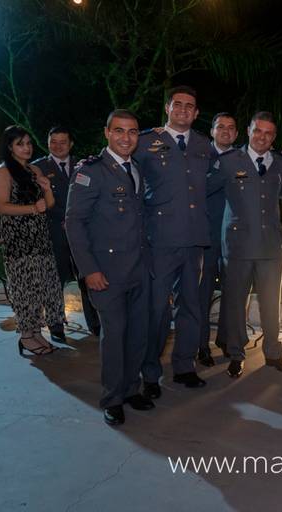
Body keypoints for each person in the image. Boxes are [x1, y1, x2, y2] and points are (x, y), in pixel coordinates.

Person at [65, 109, 154, 426]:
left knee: (138, 335)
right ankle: (112, 399)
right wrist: (89, 270)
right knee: (114, 337)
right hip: (106, 272)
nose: (126, 138)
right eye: (119, 130)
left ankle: (131, 389)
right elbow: (74, 223)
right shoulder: (90, 171)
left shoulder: (136, 168)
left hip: (139, 269)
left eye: (132, 131)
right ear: (107, 133)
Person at [134, 85, 212, 398]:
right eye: (177, 104)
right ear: (167, 108)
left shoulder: (204, 144)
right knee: (156, 310)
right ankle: (150, 372)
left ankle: (184, 366)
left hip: (194, 240)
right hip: (160, 240)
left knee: (191, 306)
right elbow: (123, 170)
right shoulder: (145, 142)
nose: (183, 110)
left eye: (189, 106)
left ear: (196, 113)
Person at [208, 111, 282, 378]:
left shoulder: (281, 163)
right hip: (238, 245)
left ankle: (273, 353)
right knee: (235, 304)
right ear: (248, 131)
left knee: (271, 303)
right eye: (258, 130)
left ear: (274, 137)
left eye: (268, 133)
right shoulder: (228, 161)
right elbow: (203, 190)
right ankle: (236, 354)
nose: (262, 137)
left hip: (270, 245)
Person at [0, 126, 64, 355]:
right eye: (20, 144)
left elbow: (49, 205)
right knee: (25, 290)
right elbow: (1, 206)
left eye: (28, 143)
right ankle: (26, 337)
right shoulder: (3, 172)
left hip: (40, 238)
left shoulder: (35, 169)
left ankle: (36, 333)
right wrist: (32, 209)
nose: (26, 148)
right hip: (18, 241)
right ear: (10, 147)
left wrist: (47, 189)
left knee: (42, 288)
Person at [33, 126, 100, 340]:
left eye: (63, 142)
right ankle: (55, 325)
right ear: (47, 143)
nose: (58, 146)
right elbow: (37, 200)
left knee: (87, 277)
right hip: (54, 233)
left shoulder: (85, 165)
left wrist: (76, 222)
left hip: (82, 234)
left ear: (71, 144)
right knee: (54, 280)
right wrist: (65, 220)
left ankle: (95, 323)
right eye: (53, 141)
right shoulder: (38, 168)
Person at [197, 112, 239, 367]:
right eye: (220, 127)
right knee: (201, 295)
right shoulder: (199, 157)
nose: (225, 131)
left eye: (231, 127)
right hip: (207, 238)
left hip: (236, 240)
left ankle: (226, 340)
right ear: (212, 131)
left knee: (232, 294)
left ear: (237, 133)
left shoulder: (243, 158)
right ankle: (201, 345)